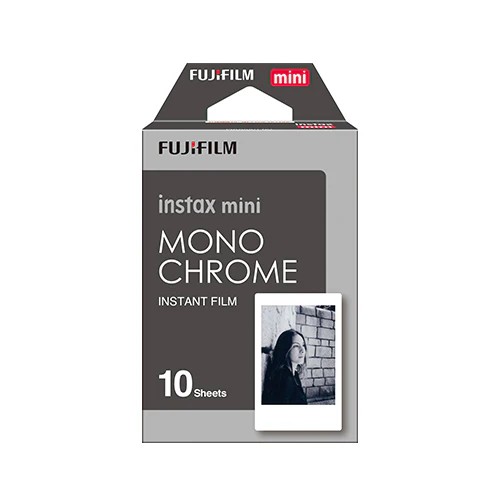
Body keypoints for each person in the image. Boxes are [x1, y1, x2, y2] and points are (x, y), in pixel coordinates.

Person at [262, 329, 308, 405]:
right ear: (285, 349)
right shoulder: (284, 378)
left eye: (303, 345)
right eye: (296, 346)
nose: (302, 350)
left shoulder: (294, 374)